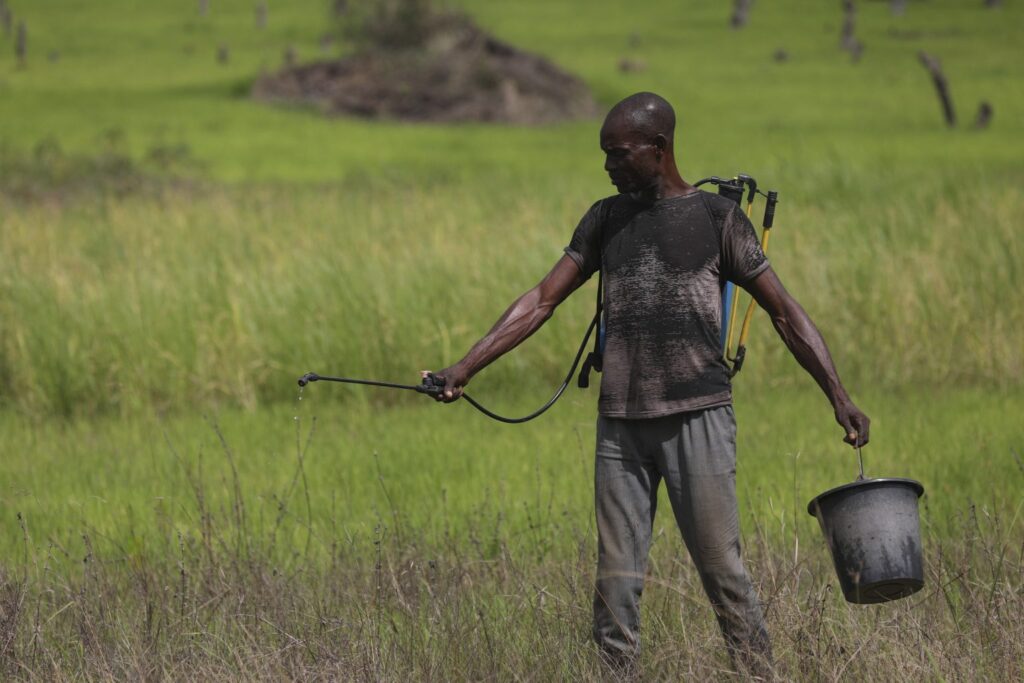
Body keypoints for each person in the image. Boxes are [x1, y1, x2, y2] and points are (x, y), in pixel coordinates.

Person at [425, 92, 870, 677]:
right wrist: (465, 367)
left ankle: (758, 673)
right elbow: (540, 300)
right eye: (604, 154)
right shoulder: (606, 219)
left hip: (698, 418)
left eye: (618, 153)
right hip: (620, 430)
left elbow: (786, 313)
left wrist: (838, 396)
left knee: (721, 571)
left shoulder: (717, 220)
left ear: (659, 149)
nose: (607, 166)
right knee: (616, 583)